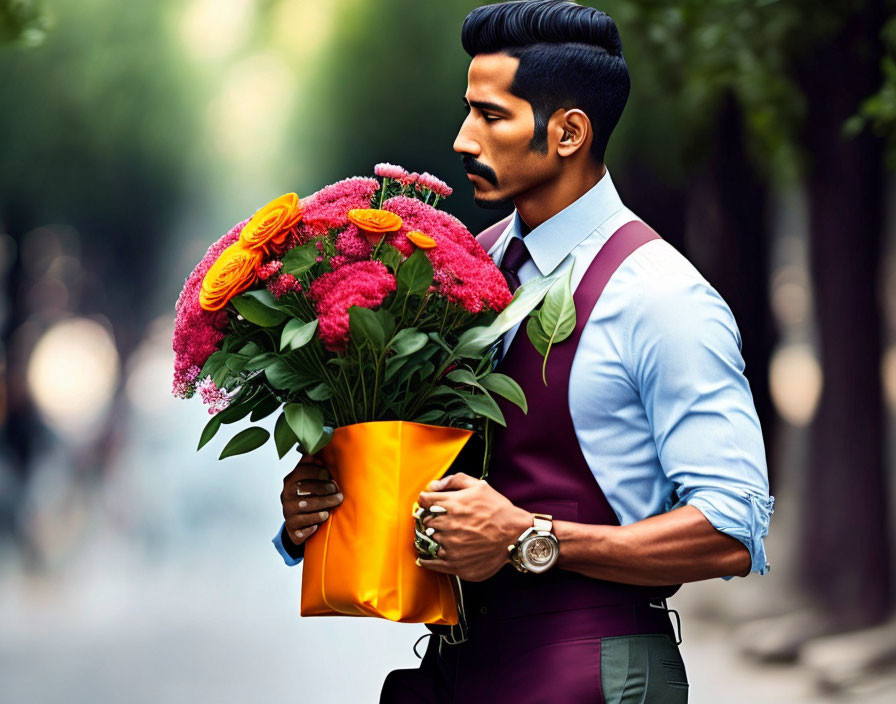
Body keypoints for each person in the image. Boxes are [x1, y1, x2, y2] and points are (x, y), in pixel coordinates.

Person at [274, 1, 774, 701]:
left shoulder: (662, 296)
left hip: (592, 673)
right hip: (457, 670)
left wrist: (529, 537)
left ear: (569, 132)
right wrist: (329, 500)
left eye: (491, 115)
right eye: (467, 111)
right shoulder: (463, 269)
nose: (462, 139)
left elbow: (731, 528)